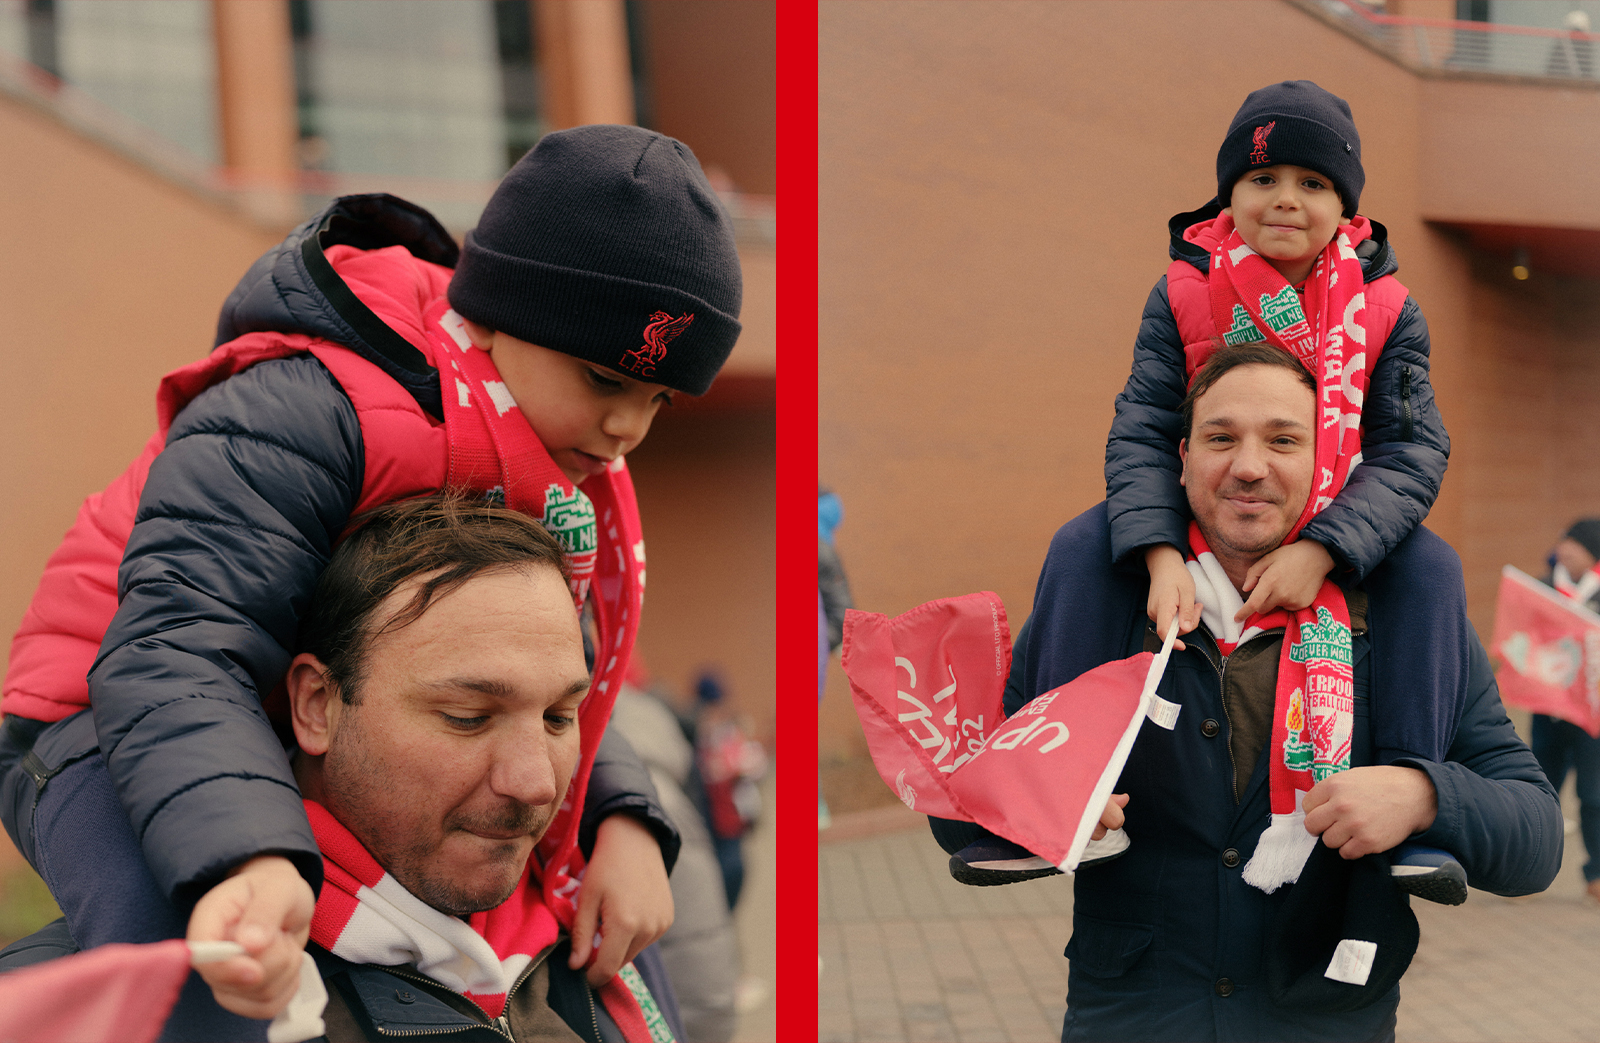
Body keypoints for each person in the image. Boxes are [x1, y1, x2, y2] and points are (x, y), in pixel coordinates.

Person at [0, 124, 740, 1038]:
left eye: (660, 399)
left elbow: (547, 675)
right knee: (204, 958)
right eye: (603, 380)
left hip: (255, 706)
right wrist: (248, 854)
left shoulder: (532, 451)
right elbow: (176, 643)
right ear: (506, 312)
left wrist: (622, 817)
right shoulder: (311, 408)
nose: (629, 425)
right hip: (101, 714)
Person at [977, 344, 1561, 1041]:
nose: (1249, 465)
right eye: (1222, 437)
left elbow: (1537, 838)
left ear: (1327, 456)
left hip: (1326, 1016)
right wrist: (1037, 793)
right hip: (1132, 1018)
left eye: (1283, 439)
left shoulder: (1403, 618)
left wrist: (1424, 795)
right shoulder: (1105, 599)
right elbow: (965, 810)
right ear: (1184, 455)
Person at [1107, 80, 1449, 656]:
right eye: (1263, 179)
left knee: (1432, 567)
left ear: (1343, 206)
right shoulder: (1180, 293)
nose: (1286, 199)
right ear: (1229, 194)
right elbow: (1144, 430)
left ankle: (1414, 747)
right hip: (1213, 511)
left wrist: (1322, 550)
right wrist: (1162, 557)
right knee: (1080, 545)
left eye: (1312, 183)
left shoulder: (1387, 309)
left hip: (1340, 515)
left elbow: (1410, 452)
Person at [1531, 518, 1600, 903]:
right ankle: (1526, 870)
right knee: (1539, 792)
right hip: (1549, 710)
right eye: (1564, 542)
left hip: (1593, 718)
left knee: (1594, 797)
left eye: (1575, 544)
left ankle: (1597, 874)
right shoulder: (1540, 589)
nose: (1566, 549)